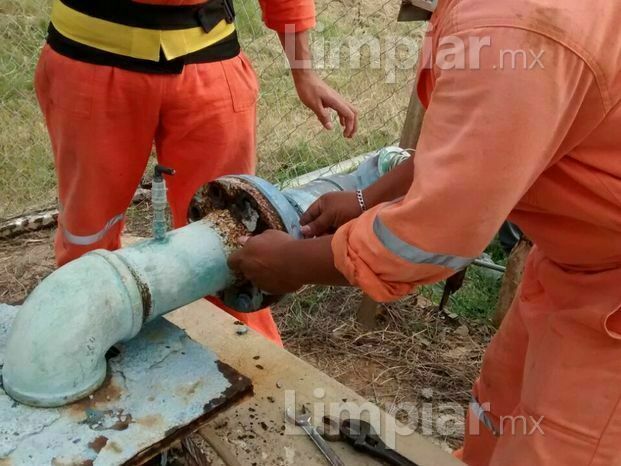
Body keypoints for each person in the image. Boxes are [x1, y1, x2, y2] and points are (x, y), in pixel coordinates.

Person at [229, 0, 621, 463]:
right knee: (499, 416)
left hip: (608, 297)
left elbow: (432, 239)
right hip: (577, 263)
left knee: (559, 448)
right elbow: (475, 144)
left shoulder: (511, 28)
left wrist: (289, 265)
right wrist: (363, 199)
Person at [35, 0, 357, 345]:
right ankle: (77, 343)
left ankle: (245, 360)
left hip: (208, 60)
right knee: (89, 230)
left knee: (230, 232)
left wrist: (303, 70)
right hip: (90, 60)